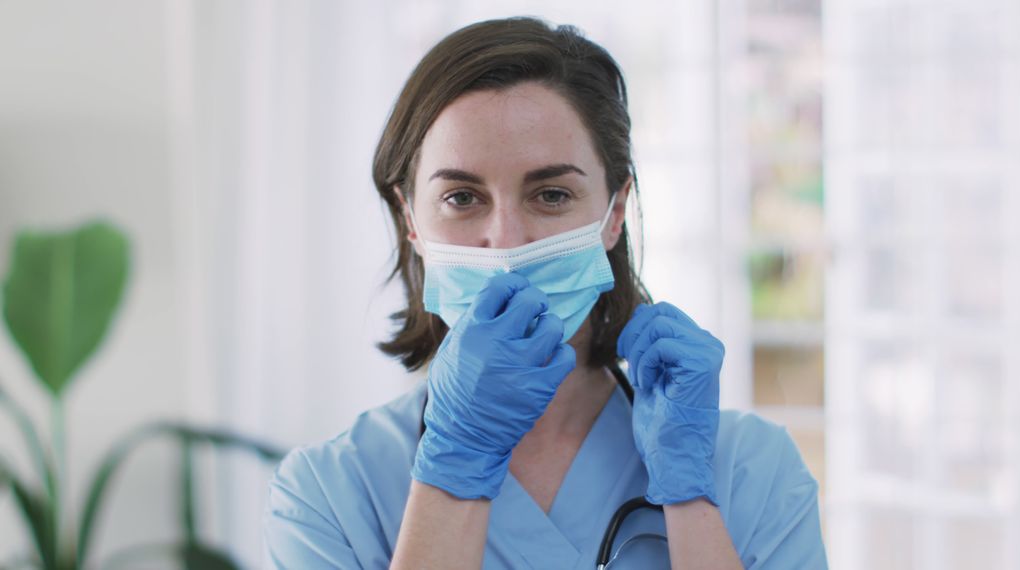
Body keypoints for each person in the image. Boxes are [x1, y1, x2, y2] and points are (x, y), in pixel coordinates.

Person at [262, 16, 828, 569]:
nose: (506, 240)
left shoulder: (751, 470)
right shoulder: (329, 495)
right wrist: (455, 464)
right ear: (411, 218)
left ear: (614, 213)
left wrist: (690, 501)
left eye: (551, 195)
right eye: (462, 197)